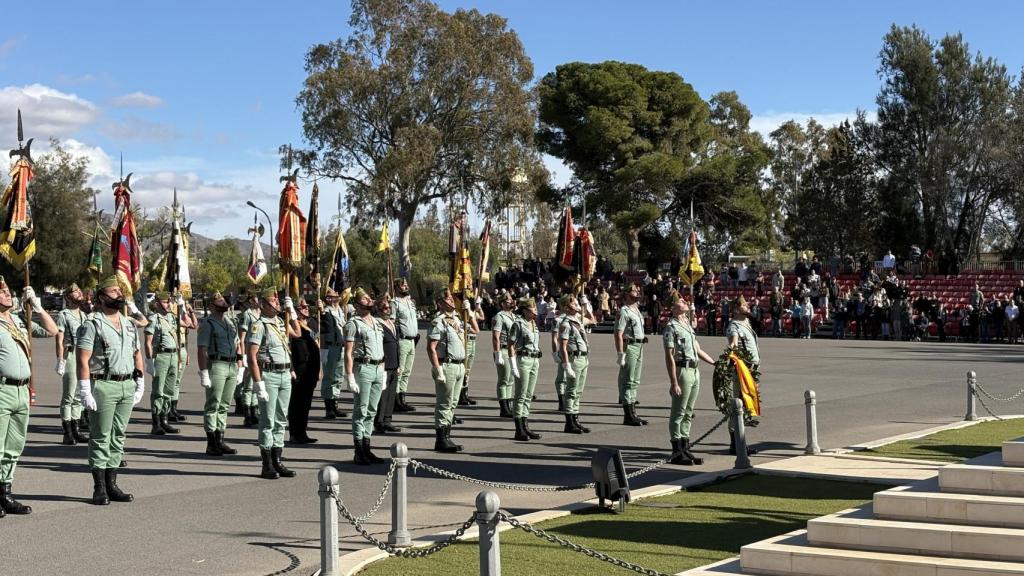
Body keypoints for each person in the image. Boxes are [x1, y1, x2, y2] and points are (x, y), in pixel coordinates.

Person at [75, 276, 144, 506]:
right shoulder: (92, 323)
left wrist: (140, 380)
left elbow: (137, 354)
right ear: (102, 297)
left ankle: (113, 484)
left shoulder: (128, 323)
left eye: (119, 291)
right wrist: (84, 388)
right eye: (114, 291)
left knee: (118, 435)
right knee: (101, 436)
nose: (119, 294)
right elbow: (82, 358)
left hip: (126, 384)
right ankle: (100, 487)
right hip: (103, 385)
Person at [246, 288, 301, 479]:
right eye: (274, 302)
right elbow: (251, 356)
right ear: (263, 304)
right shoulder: (258, 325)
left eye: (278, 302)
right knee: (267, 421)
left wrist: (292, 312)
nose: (277, 304)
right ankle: (267, 463)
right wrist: (258, 383)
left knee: (281, 419)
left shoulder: (280, 321)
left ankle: (278, 460)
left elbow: (297, 332)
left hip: (285, 374)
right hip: (268, 374)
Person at [663, 297, 715, 465]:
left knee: (688, 411)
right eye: (680, 301)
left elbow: (698, 349)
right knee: (678, 412)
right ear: (673, 307)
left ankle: (685, 447)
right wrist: (674, 382)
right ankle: (676, 451)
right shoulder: (671, 328)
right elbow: (669, 356)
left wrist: (715, 363)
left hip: (694, 369)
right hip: (682, 370)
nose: (684, 302)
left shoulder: (686, 324)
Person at [196, 291, 244, 456]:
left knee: (224, 405)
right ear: (211, 305)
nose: (223, 303)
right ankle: (211, 443)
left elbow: (237, 344)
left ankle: (220, 439)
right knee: (213, 404)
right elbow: (202, 349)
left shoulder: (230, 322)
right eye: (219, 301)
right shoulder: (208, 324)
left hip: (231, 365)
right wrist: (204, 372)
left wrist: (240, 365)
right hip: (216, 365)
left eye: (224, 301)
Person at [344, 288, 387, 465]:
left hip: (378, 368)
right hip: (363, 368)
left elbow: (381, 348)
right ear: (357, 304)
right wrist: (349, 376)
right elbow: (348, 352)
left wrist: (383, 371)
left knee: (371, 411)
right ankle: (359, 450)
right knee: (361, 410)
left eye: (369, 298)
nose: (369, 301)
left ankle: (367, 448)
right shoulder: (353, 324)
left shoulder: (377, 322)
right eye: (365, 299)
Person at [145, 292, 194, 435]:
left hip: (174, 355)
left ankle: (164, 420)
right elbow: (148, 342)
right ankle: (156, 423)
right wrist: (149, 361)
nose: (168, 304)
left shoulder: (173, 317)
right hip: (161, 356)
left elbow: (189, 325)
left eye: (169, 302)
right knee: (158, 391)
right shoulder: (154, 319)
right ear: (157, 304)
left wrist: (181, 306)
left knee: (169, 390)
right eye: (165, 302)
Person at [428, 289, 466, 453]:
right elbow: (431, 348)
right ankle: (441, 439)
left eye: (452, 298)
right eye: (447, 299)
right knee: (444, 403)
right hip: (447, 365)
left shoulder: (457, 319)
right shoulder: (439, 322)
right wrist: (438, 369)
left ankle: (448, 436)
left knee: (453, 403)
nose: (451, 301)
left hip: (459, 365)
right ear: (440, 303)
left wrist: (470, 309)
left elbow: (474, 329)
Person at [54, 284, 90, 445]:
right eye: (75, 292)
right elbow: (59, 338)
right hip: (71, 354)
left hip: (83, 355)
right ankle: (67, 432)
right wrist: (60, 360)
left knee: (78, 395)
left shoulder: (84, 315)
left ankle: (76, 429)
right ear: (68, 297)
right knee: (69, 395)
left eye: (79, 290)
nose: (79, 293)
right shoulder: (64, 314)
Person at [725, 295, 760, 455]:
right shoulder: (734, 326)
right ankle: (736, 444)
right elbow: (733, 343)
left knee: (745, 405)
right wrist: (731, 348)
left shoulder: (746, 323)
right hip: (742, 370)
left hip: (751, 370)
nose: (749, 307)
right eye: (745, 305)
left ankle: (740, 442)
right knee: (739, 404)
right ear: (737, 309)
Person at [286, 298, 321, 444]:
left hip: (311, 367)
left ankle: (303, 432)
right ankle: (294, 433)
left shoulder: (312, 322)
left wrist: (320, 369)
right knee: (296, 403)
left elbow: (317, 345)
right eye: (303, 306)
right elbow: (287, 348)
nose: (306, 308)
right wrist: (291, 368)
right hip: (298, 368)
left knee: (306, 403)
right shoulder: (289, 324)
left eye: (307, 305)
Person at [508, 297, 542, 441]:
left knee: (528, 394)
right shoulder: (518, 324)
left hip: (534, 360)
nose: (535, 310)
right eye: (532, 309)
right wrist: (513, 365)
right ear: (524, 310)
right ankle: (519, 429)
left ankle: (525, 426)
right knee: (520, 395)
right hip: (523, 360)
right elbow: (510, 345)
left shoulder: (533, 324)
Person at [559, 294, 593, 434]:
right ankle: (569, 422)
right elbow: (563, 346)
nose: (577, 304)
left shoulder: (578, 320)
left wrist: (587, 305)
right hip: (574, 359)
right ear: (567, 307)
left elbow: (592, 319)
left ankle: (576, 420)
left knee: (578, 392)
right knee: (571, 391)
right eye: (574, 303)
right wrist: (566, 365)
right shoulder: (566, 323)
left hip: (583, 359)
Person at [614, 283, 647, 426]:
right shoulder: (624, 311)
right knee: (628, 380)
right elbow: (618, 333)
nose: (638, 292)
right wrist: (620, 353)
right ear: (627, 294)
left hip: (639, 346)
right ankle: (628, 414)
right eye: (634, 290)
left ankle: (633, 412)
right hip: (630, 346)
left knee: (635, 380)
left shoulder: (636, 310)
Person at [373, 295, 402, 435]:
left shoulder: (391, 323)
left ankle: (387, 420)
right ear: (377, 309)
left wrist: (399, 364)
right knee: (383, 395)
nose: (387, 309)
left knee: (391, 394)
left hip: (394, 364)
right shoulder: (377, 323)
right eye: (384, 307)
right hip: (384, 364)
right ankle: (379, 422)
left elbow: (396, 345)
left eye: (388, 307)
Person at [390, 278, 419, 413]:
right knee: (399, 372)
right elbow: (391, 321)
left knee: (407, 372)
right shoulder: (394, 303)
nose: (406, 287)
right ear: (396, 287)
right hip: (402, 340)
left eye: (407, 285)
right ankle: (395, 400)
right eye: (403, 285)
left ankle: (402, 398)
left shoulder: (410, 303)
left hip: (412, 340)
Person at [319, 287, 348, 420]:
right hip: (330, 348)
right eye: (329, 296)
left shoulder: (341, 310)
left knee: (338, 377)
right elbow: (323, 332)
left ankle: (335, 404)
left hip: (340, 347)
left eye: (334, 295)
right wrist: (323, 351)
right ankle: (328, 408)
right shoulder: (325, 312)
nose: (332, 298)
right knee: (329, 378)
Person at [168, 297, 198, 423]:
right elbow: (185, 324)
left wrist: (190, 311)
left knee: (177, 381)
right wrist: (181, 310)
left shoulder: (182, 315)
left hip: (183, 349)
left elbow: (194, 325)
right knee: (171, 381)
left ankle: (173, 409)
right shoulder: (172, 317)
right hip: (174, 350)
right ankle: (168, 409)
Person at [235, 290, 263, 426]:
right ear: (251, 301)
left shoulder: (261, 314)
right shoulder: (247, 315)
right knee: (248, 386)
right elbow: (241, 338)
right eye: (257, 299)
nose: (259, 301)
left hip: (260, 354)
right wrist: (243, 356)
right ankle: (247, 414)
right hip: (249, 353)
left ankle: (254, 411)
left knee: (256, 384)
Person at [491, 290, 517, 418]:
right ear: (502, 303)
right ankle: (504, 408)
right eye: (508, 300)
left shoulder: (513, 316)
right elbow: (496, 337)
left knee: (511, 379)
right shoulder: (499, 317)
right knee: (504, 379)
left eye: (511, 300)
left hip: (512, 350)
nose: (511, 302)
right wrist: (497, 354)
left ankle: (508, 405)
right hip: (503, 350)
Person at [457, 291, 483, 406]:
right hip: (466, 341)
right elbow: (476, 330)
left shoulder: (471, 312)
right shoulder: (461, 315)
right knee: (464, 369)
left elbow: (482, 317)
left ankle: (465, 394)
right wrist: (469, 314)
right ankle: (460, 395)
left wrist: (478, 306)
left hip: (472, 342)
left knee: (468, 370)